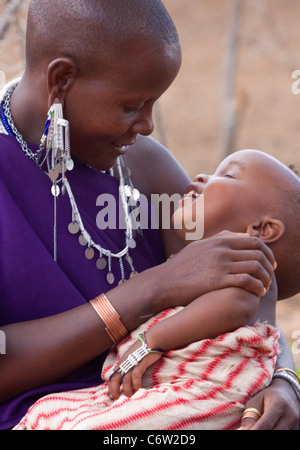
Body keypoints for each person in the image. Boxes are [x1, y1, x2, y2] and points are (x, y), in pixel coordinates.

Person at [0, 0, 298, 430]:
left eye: (153, 103)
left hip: (183, 403)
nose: (147, 126)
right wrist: (149, 290)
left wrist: (283, 379)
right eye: (131, 105)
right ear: (61, 79)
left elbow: (250, 279)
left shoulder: (141, 166)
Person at [13, 149, 300, 430]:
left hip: (201, 394)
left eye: (228, 175)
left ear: (262, 229)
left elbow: (237, 305)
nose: (200, 177)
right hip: (161, 392)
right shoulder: (222, 263)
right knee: (52, 411)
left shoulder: (246, 263)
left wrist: (151, 341)